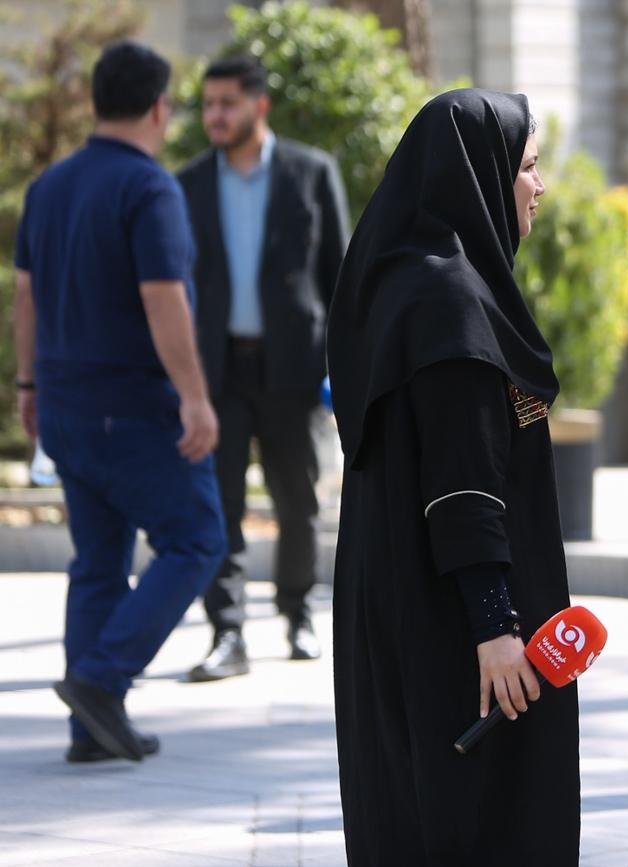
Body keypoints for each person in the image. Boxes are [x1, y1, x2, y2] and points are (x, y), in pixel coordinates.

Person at [327, 89, 578, 865]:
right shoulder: (451, 306)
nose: (538, 185)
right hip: (455, 622)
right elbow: (463, 486)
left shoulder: (414, 285)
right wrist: (496, 629)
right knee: (476, 815)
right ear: (481, 175)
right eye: (527, 167)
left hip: (403, 595)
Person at [13, 41, 226, 763]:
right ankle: (102, 681)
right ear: (159, 108)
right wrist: (195, 398)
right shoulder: (149, 187)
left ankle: (91, 733)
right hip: (133, 406)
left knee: (99, 560)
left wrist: (27, 385)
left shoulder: (49, 185)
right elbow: (163, 297)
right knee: (197, 538)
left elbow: (25, 295)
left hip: (65, 406)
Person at [177, 55, 350, 681]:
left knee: (297, 500)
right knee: (217, 504)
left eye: (227, 103)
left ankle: (298, 612)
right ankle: (226, 632)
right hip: (216, 370)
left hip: (293, 368)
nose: (215, 116)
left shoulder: (311, 171)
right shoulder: (189, 182)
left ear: (259, 105)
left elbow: (341, 278)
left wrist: (342, 370)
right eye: (208, 104)